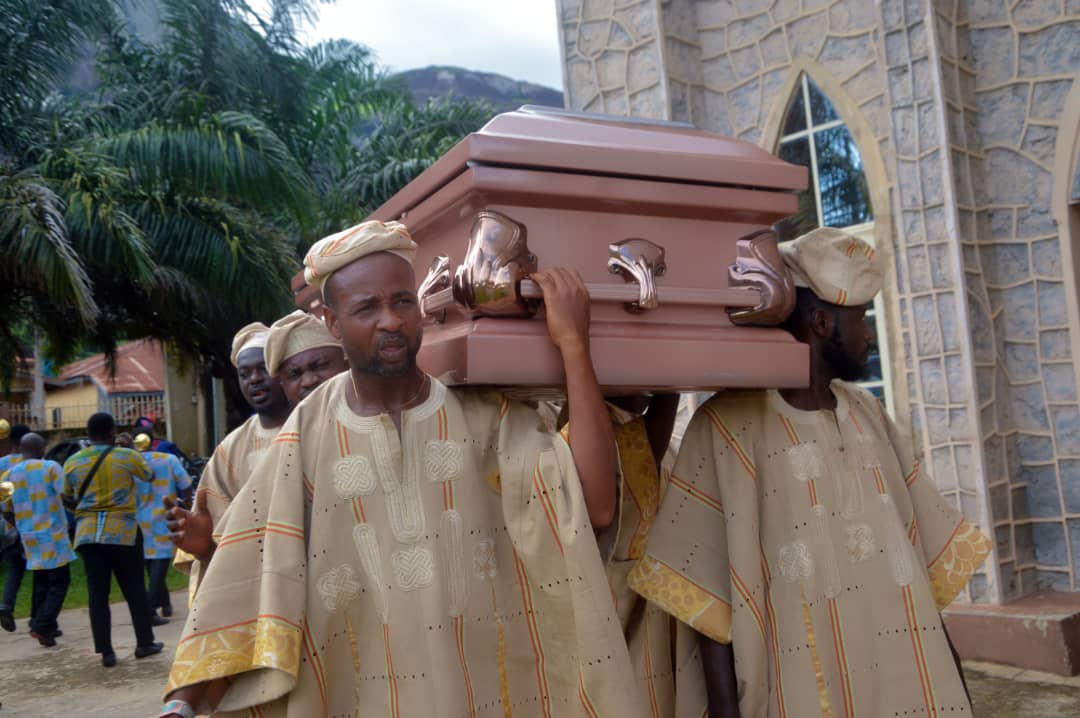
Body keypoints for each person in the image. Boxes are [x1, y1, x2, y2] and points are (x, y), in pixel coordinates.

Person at [158, 220, 640, 718]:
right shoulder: (309, 429)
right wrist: (182, 702)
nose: (391, 321)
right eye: (367, 307)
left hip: (484, 690)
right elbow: (246, 566)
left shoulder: (483, 415)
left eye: (403, 301)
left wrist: (574, 346)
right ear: (332, 322)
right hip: (356, 693)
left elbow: (595, 506)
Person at [629, 228, 992, 717]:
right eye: (860, 318)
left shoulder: (868, 413)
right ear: (821, 322)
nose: (868, 335)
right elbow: (702, 597)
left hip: (904, 685)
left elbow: (921, 563)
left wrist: (955, 684)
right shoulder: (726, 428)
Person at [169, 321, 291, 594]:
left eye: (263, 368)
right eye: (245, 373)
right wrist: (202, 544)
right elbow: (209, 529)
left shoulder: (316, 426)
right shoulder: (230, 450)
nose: (254, 379)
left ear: (284, 370)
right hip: (258, 584)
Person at [63, 412, 164, 667]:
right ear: (112, 432)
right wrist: (130, 447)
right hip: (123, 533)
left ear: (88, 434)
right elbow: (149, 475)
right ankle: (144, 643)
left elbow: (66, 496)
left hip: (88, 535)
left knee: (97, 594)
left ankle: (106, 652)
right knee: (134, 590)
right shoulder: (126, 456)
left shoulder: (73, 461)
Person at [0, 433, 74, 646]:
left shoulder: (9, 475)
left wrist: (21, 526)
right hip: (53, 534)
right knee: (60, 582)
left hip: (29, 536)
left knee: (41, 581)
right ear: (41, 448)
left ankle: (43, 628)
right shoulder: (51, 467)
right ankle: (42, 624)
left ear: (22, 448)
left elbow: (5, 510)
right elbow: (66, 494)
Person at [134, 432, 192, 619]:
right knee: (161, 561)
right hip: (165, 515)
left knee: (151, 561)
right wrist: (189, 504)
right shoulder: (169, 459)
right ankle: (149, 609)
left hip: (139, 518)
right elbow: (185, 483)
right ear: (154, 441)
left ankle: (165, 603)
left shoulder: (131, 462)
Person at [264, 309, 348, 407]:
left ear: (347, 362)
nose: (308, 381)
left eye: (320, 365)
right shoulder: (295, 422)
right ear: (283, 387)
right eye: (294, 375)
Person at [0, 422, 31, 632]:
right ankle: (42, 618)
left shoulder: (1, 463)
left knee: (16, 566)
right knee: (43, 569)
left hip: (7, 522)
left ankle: (6, 604)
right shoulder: (32, 462)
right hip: (31, 521)